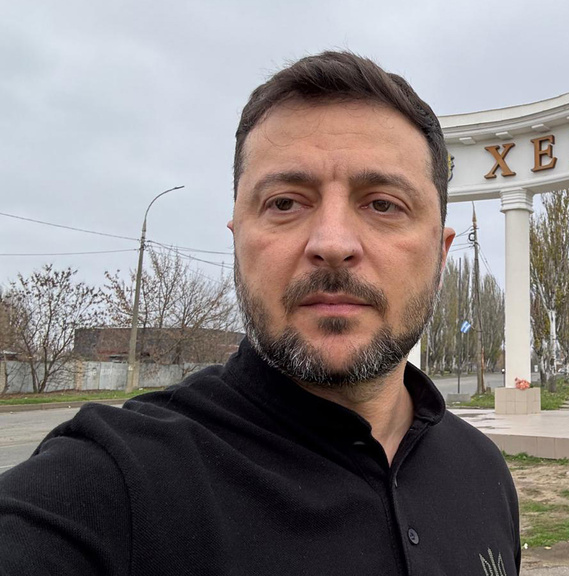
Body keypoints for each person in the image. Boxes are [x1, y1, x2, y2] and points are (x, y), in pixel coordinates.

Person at [0, 51, 520, 575]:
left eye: (383, 203)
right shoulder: (109, 486)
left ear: (441, 251)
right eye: (285, 203)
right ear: (237, 239)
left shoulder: (484, 473)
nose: (332, 243)